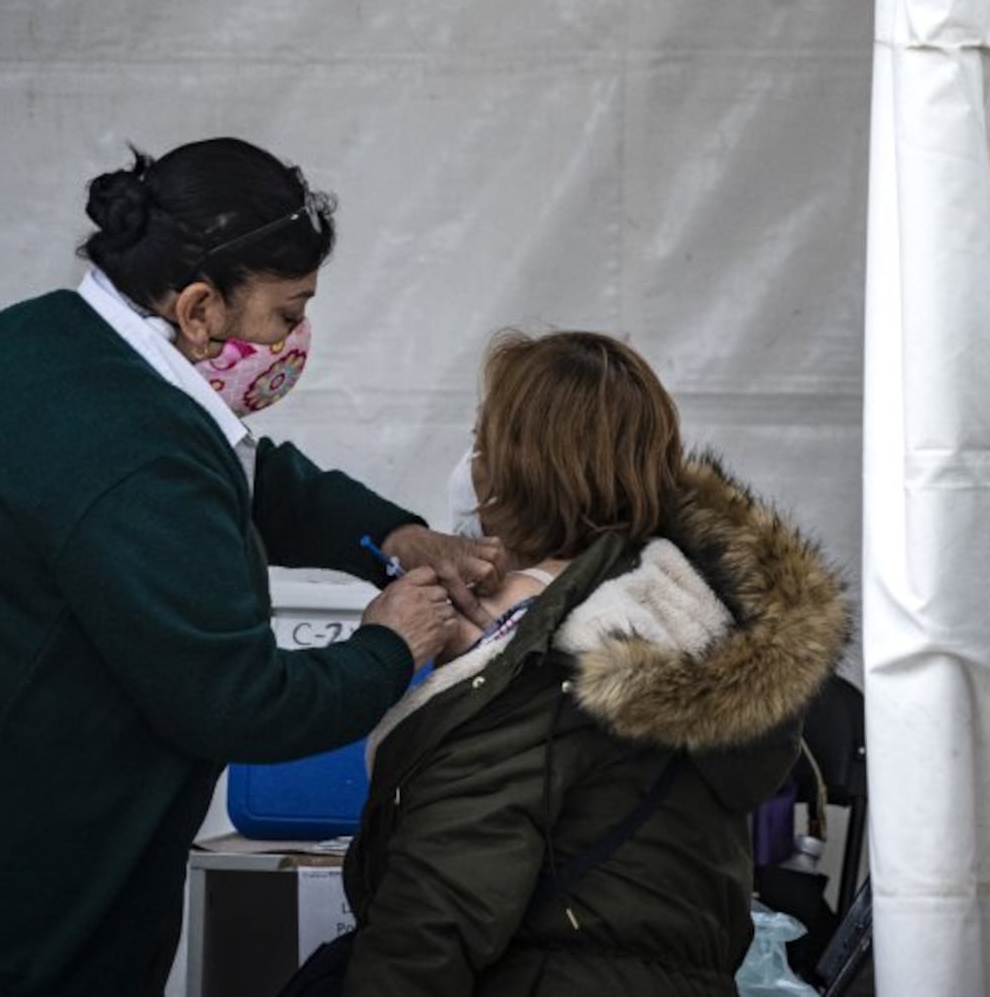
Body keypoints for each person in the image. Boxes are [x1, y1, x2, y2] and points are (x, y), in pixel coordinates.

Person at [0, 139, 502, 997]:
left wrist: (396, 536)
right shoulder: (130, 452)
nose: (297, 340)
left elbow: (249, 479)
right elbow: (238, 703)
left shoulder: (47, 342)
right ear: (199, 308)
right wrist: (388, 646)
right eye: (287, 315)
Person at [339, 329, 850, 996]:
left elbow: (438, 912)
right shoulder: (695, 618)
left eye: (481, 441)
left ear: (516, 469)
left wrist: (484, 679)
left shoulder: (535, 668)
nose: (472, 462)